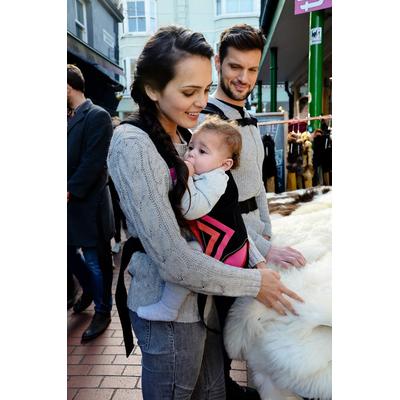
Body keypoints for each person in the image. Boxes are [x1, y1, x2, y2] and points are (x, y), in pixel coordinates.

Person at [107, 25, 303, 400]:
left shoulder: (185, 135)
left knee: (214, 391)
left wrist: (258, 256)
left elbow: (223, 215)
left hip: (204, 300)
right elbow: (174, 259)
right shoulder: (133, 144)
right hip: (170, 314)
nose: (201, 102)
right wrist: (256, 282)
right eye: (189, 92)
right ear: (152, 89)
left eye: (204, 88)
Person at [198, 23, 307, 397]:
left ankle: (228, 386)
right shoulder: (206, 123)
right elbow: (213, 208)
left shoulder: (249, 116)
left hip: (254, 243)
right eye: (234, 67)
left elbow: (258, 187)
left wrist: (267, 234)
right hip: (228, 249)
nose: (243, 78)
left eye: (251, 69)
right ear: (218, 63)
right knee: (219, 336)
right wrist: (259, 250)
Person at [137, 115, 264, 322]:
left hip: (227, 253)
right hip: (221, 241)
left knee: (189, 256)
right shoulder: (205, 172)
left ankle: (169, 307)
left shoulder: (216, 180)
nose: (191, 154)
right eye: (190, 147)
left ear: (225, 164)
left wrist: (185, 176)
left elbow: (190, 210)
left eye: (202, 151)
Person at [67, 64, 115, 342]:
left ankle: (103, 311)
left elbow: (94, 162)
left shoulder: (97, 115)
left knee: (96, 262)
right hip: (71, 205)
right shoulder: (68, 117)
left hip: (90, 203)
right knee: (68, 255)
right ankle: (88, 290)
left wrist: (69, 190)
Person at [109, 116, 127, 254]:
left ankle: (126, 234)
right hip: (111, 184)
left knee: (124, 211)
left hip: (123, 184)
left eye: (117, 127)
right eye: (113, 127)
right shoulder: (107, 144)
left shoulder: (125, 144)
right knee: (115, 212)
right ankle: (118, 240)